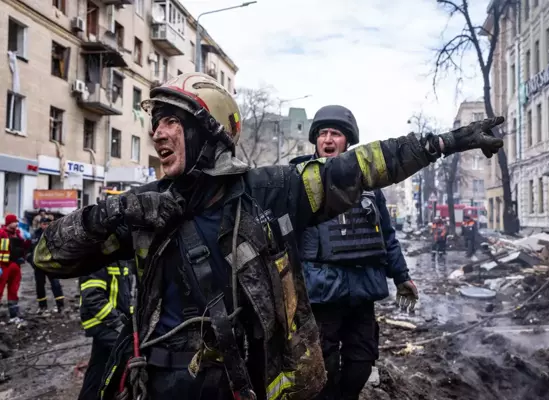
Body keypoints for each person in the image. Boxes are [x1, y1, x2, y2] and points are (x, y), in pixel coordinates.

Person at [33, 72, 504, 400]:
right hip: (156, 383)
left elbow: (359, 168)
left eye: (172, 120)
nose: (158, 132)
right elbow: (49, 258)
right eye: (155, 121)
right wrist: (109, 212)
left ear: (208, 131)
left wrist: (443, 142)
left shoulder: (269, 193)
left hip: (243, 381)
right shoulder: (143, 209)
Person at [290, 105, 417, 400]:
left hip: (362, 290)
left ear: (347, 141)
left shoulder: (370, 185)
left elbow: (387, 236)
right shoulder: (296, 181)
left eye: (335, 133)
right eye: (323, 133)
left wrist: (402, 277)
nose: (328, 139)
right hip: (321, 292)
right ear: (316, 140)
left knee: (361, 363)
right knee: (324, 366)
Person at [78, 259, 135, 400]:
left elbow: (125, 297)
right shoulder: (95, 261)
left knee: (99, 368)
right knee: (127, 353)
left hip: (110, 325)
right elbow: (92, 297)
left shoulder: (121, 261)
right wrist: (117, 322)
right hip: (101, 324)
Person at [29, 217, 65, 315]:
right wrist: (32, 261)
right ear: (40, 224)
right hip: (39, 266)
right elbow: (30, 250)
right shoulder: (35, 235)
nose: (46, 226)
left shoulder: (55, 234)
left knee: (56, 285)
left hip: (51, 265)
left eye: (48, 224)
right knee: (39, 286)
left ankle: (60, 306)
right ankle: (42, 307)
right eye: (44, 224)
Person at [0, 214, 26, 323]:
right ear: (9, 223)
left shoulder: (18, 234)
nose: (16, 223)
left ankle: (13, 315)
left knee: (13, 291)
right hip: (3, 265)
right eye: (14, 221)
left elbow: (23, 248)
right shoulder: (2, 233)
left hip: (15, 266)